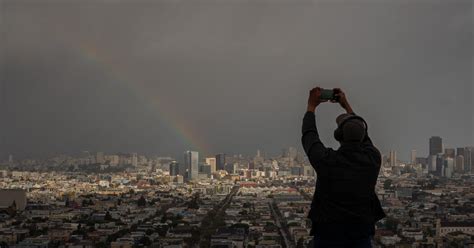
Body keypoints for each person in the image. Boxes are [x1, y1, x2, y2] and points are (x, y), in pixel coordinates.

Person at [302, 87, 386, 248]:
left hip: (328, 236)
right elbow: (362, 134)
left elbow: (309, 136)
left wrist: (311, 107)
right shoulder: (373, 158)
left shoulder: (327, 161)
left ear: (338, 136)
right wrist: (346, 105)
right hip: (361, 235)